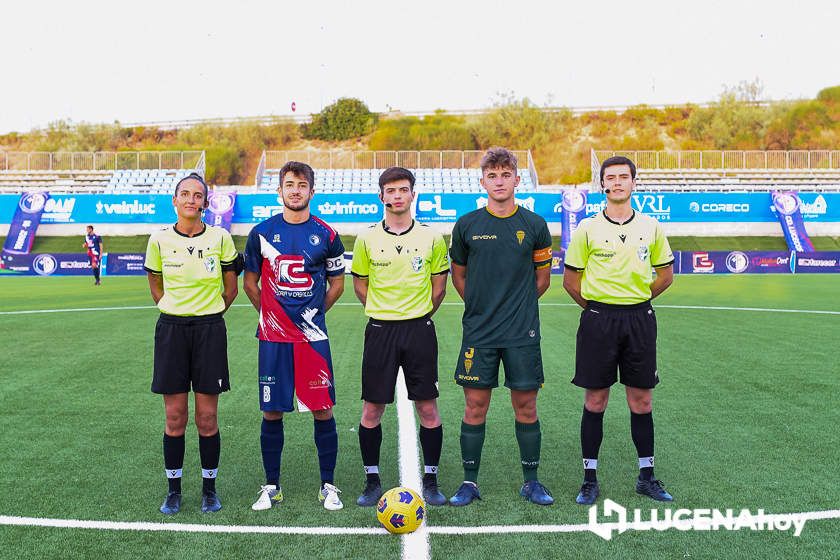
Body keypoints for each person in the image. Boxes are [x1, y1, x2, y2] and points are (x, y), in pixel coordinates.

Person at [563, 155, 675, 505]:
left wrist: (636, 301)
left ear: (633, 183)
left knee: (641, 400)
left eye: (623, 177)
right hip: (599, 321)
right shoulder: (587, 228)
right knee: (596, 400)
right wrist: (599, 308)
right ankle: (589, 479)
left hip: (640, 320)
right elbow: (570, 280)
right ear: (602, 185)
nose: (616, 183)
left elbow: (666, 275)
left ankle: (646, 476)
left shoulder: (652, 227)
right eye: (609, 178)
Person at [448, 147, 554, 507]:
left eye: (505, 174)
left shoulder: (535, 226)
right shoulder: (467, 225)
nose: (498, 181)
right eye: (491, 175)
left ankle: (531, 481)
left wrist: (517, 308)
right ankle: (469, 483)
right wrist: (481, 307)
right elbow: (459, 276)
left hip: (522, 332)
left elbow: (543, 280)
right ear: (482, 181)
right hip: (479, 332)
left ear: (516, 179)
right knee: (475, 406)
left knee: (526, 406)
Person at [243, 161, 346, 512]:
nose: (296, 190)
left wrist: (312, 315)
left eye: (302, 185)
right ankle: (271, 486)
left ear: (312, 192)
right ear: (280, 191)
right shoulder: (260, 232)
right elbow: (250, 283)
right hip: (273, 339)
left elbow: (337, 284)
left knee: (322, 410)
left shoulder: (328, 235)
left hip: (312, 338)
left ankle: (328, 485)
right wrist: (271, 315)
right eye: (289, 184)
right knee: (272, 412)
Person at [350, 167, 450, 507]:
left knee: (428, 408)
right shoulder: (366, 238)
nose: (397, 196)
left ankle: (432, 480)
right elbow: (360, 284)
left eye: (403, 190)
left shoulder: (432, 238)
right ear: (381, 196)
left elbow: (439, 288)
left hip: (419, 330)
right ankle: (372, 480)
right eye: (390, 190)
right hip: (380, 331)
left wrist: (416, 314)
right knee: (372, 409)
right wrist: (384, 311)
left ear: (412, 194)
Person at [143, 172, 241, 515]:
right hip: (171, 331)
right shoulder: (158, 240)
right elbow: (154, 280)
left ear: (205, 202)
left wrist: (210, 314)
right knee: (174, 417)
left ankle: (209, 490)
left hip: (209, 330)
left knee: (207, 417)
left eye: (197, 195)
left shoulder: (220, 237)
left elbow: (231, 288)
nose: (191, 200)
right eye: (185, 194)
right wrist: (168, 308)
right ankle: (173, 491)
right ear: (175, 200)